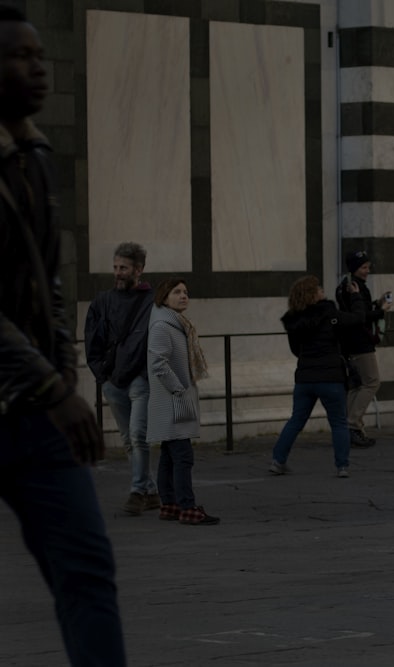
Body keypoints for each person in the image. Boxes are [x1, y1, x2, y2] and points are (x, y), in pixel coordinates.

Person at [0, 8, 126, 662]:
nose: (39, 67)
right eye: (21, 56)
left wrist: (68, 369)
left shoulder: (36, 154)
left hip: (33, 411)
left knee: (86, 570)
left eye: (40, 54)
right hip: (32, 394)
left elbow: (50, 281)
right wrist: (54, 386)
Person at [84, 241, 157, 516]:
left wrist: (146, 373)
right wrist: (103, 376)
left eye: (123, 268)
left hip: (140, 379)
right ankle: (151, 492)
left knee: (138, 435)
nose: (117, 272)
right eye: (115, 267)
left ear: (138, 270)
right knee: (129, 439)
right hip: (113, 382)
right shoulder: (103, 301)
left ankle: (137, 491)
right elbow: (92, 340)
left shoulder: (153, 302)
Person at [271, 276, 365, 478]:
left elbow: (296, 350)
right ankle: (342, 466)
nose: (323, 290)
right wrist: (356, 297)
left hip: (305, 378)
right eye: (319, 289)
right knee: (338, 422)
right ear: (313, 294)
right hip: (331, 377)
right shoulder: (329, 314)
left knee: (296, 420)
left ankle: (278, 460)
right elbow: (357, 318)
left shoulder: (294, 321)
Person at [147, 278, 218, 525]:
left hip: (175, 399)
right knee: (183, 456)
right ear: (164, 297)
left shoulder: (176, 323)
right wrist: (178, 389)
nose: (183, 295)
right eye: (177, 292)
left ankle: (170, 504)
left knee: (169, 454)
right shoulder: (162, 326)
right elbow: (157, 363)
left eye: (186, 291)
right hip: (173, 401)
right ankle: (187, 508)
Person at [337, 250, 391, 447]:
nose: (367, 271)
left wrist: (376, 304)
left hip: (350, 342)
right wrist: (381, 311)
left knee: (357, 385)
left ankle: (349, 427)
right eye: (363, 267)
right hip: (360, 342)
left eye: (368, 266)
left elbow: (358, 311)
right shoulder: (354, 288)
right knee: (372, 382)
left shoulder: (345, 286)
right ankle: (353, 425)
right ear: (354, 268)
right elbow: (360, 316)